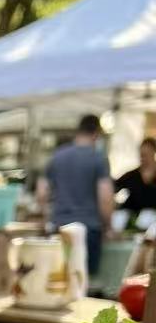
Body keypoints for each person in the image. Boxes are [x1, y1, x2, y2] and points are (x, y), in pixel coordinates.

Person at [37, 114, 113, 275]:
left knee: (58, 278)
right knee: (84, 284)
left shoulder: (57, 156)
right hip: (89, 230)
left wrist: (46, 218)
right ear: (96, 133)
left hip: (59, 227)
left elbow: (41, 192)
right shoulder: (98, 159)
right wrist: (108, 226)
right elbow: (105, 198)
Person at [115, 138, 156, 215]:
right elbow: (114, 187)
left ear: (153, 153)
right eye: (141, 155)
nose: (143, 158)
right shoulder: (131, 175)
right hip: (133, 220)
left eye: (146, 155)